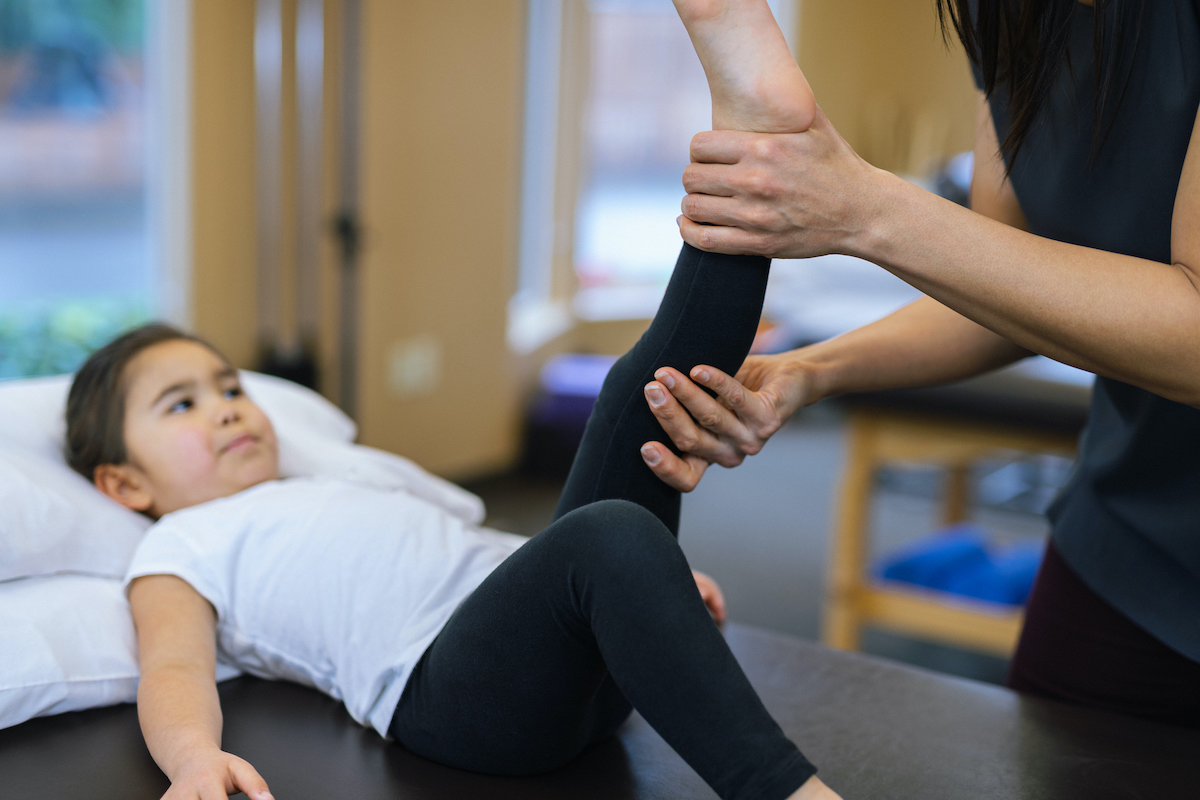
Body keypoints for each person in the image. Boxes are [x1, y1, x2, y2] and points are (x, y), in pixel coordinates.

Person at [63, 5, 846, 798]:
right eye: (181, 406)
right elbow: (169, 670)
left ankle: (753, 150)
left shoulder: (334, 480)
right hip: (459, 701)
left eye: (228, 387)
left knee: (636, 399)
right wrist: (194, 760)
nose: (226, 407)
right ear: (126, 484)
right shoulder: (181, 549)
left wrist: (645, 592)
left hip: (563, 663)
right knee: (608, 531)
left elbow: (486, 558)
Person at [640, 0, 1200, 727]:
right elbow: (1006, 288)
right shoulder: (1012, 14)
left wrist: (867, 208)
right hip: (1127, 539)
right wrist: (810, 371)